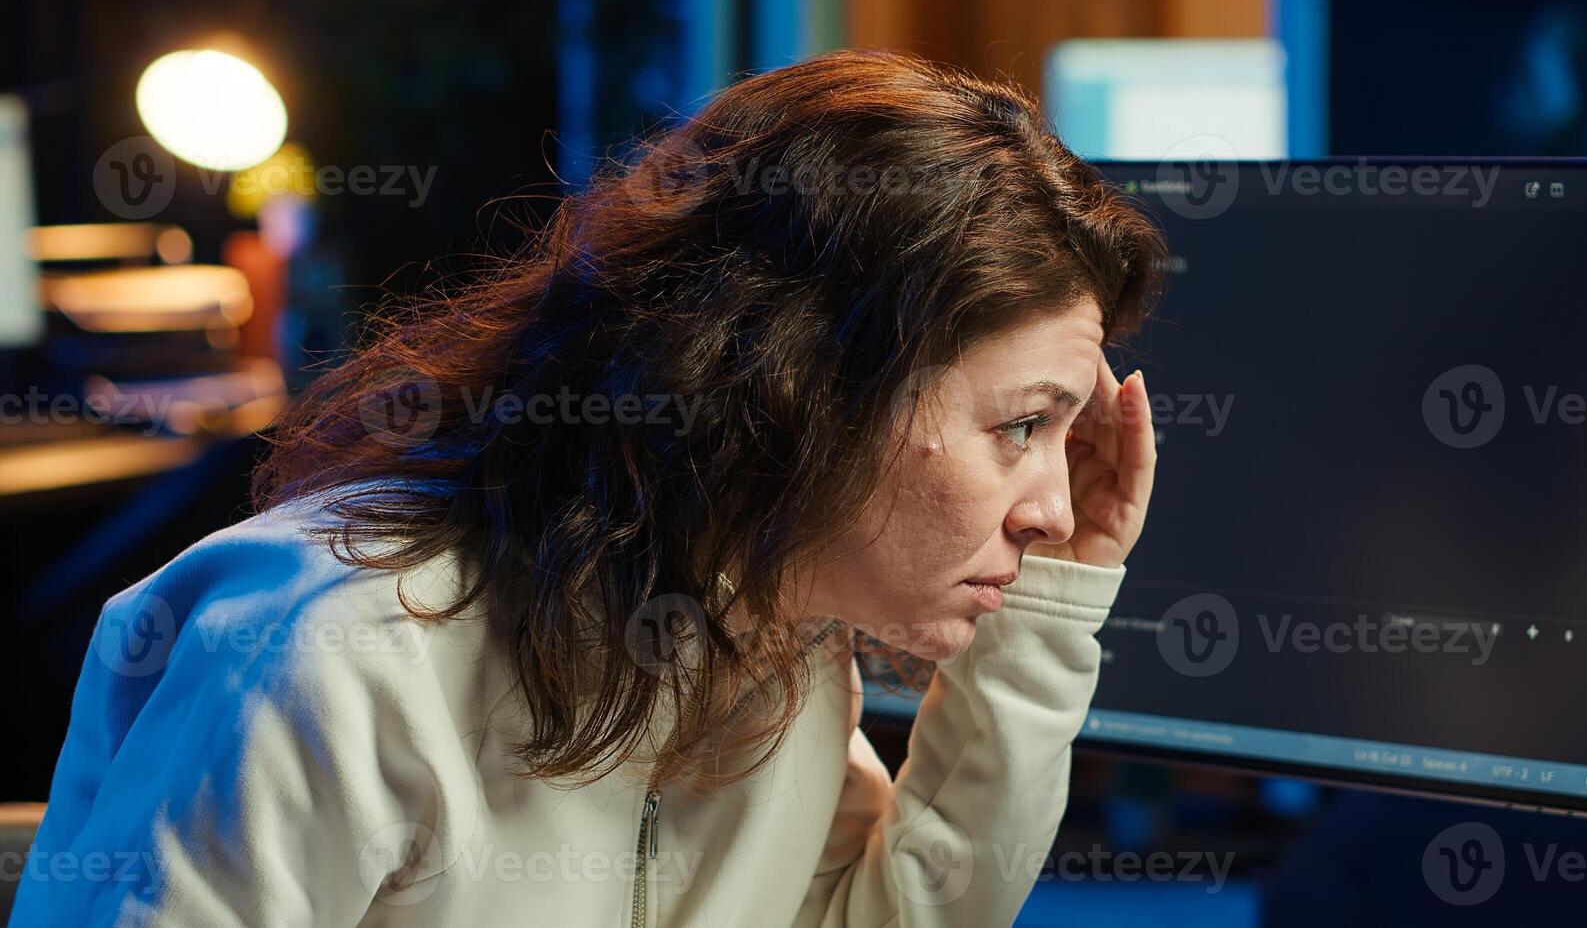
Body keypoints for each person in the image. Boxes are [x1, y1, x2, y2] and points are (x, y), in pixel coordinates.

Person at [13, 49, 1166, 926]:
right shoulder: (336, 657)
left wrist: (1052, 605)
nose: (1054, 507)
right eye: (1020, 425)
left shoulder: (771, 636)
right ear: (796, 384)